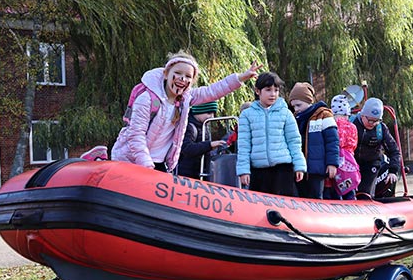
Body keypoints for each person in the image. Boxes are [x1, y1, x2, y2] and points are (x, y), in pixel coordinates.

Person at [111, 51, 260, 172]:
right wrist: (146, 164)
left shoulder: (185, 99)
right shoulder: (147, 99)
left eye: (188, 76)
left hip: (158, 164)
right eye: (178, 73)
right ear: (166, 74)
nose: (182, 78)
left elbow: (212, 91)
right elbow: (136, 134)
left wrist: (241, 77)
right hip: (132, 161)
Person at [236, 72, 306, 196]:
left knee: (284, 206)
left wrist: (299, 166)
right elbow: (244, 145)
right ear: (258, 91)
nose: (273, 94)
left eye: (276, 90)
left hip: (283, 168)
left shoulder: (286, 113)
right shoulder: (246, 115)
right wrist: (243, 170)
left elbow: (294, 141)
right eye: (268, 90)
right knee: (259, 207)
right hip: (258, 169)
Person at [288, 82, 339, 199]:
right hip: (300, 168)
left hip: (317, 168)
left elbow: (332, 141)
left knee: (316, 197)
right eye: (294, 106)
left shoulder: (324, 115)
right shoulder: (296, 119)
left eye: (298, 105)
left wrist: (332, 163)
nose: (296, 109)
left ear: (308, 101)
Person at [352, 97, 401, 196]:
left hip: (371, 164)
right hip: (352, 164)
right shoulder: (352, 124)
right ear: (362, 115)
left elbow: (394, 150)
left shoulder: (381, 129)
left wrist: (393, 171)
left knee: (364, 193)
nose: (373, 124)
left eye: (376, 121)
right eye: (370, 120)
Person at [177, 101, 226, 179]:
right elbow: (187, 148)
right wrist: (209, 145)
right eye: (209, 113)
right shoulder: (189, 127)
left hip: (199, 171)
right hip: (187, 174)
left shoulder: (204, 125)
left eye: (213, 114)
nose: (212, 117)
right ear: (199, 111)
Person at [325, 94, 359, 200]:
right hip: (349, 164)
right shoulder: (353, 127)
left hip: (334, 163)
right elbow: (354, 146)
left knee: (334, 190)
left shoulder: (331, 125)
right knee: (349, 191)